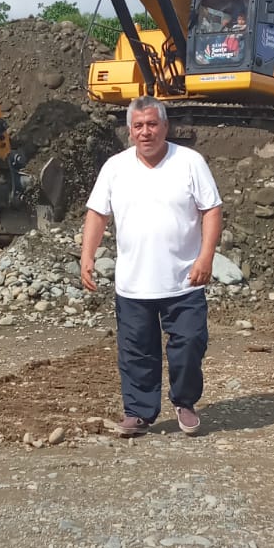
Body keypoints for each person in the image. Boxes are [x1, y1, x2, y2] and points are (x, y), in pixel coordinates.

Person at [81, 96, 223, 437]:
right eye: (139, 126)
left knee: (189, 344)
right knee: (136, 352)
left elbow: (212, 209)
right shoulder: (115, 167)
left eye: (152, 124)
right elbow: (98, 213)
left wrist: (206, 257)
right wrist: (87, 255)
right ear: (130, 131)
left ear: (165, 126)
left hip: (184, 280)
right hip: (134, 283)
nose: (146, 132)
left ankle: (185, 402)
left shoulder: (189, 162)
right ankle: (139, 413)